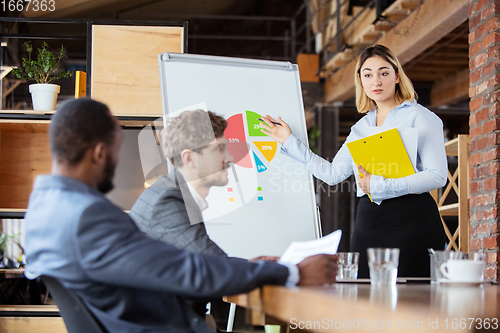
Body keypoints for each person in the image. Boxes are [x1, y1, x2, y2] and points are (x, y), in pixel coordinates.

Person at [24, 99, 338, 333]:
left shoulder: (48, 210)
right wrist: (290, 272)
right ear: (99, 152)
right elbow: (190, 271)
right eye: (117, 150)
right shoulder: (89, 216)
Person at [260, 44, 447, 278]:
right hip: (369, 222)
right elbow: (332, 174)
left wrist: (380, 186)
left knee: (413, 300)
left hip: (412, 220)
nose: (376, 81)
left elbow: (437, 175)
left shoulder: (421, 117)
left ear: (397, 76)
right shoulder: (361, 128)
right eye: (368, 75)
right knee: (366, 297)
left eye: (384, 73)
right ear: (361, 80)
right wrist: (290, 141)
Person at [129, 110, 232, 257]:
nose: (230, 157)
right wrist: (268, 268)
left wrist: (256, 265)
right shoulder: (166, 202)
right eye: (219, 149)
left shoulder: (173, 192)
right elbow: (214, 265)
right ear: (189, 158)